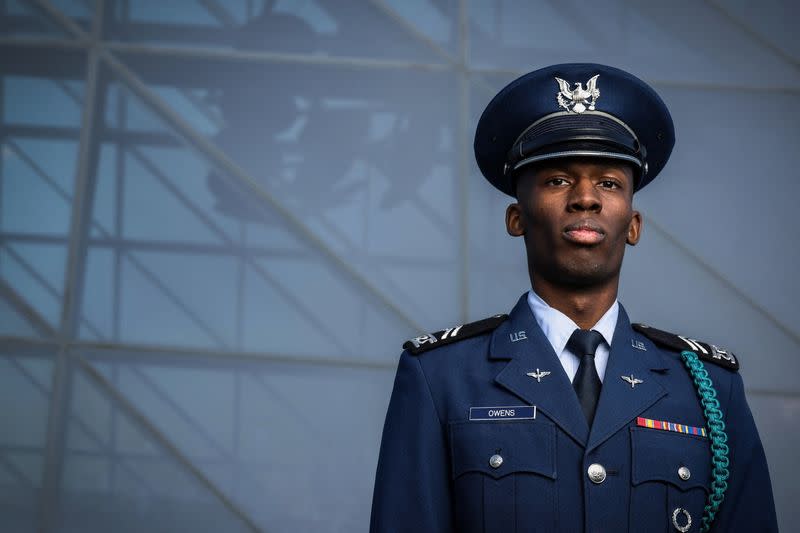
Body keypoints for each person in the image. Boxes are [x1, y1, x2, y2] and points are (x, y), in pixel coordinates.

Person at [369, 63, 777, 532]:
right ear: (516, 218)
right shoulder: (439, 378)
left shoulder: (708, 388)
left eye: (609, 183)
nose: (586, 198)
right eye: (558, 180)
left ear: (634, 224)